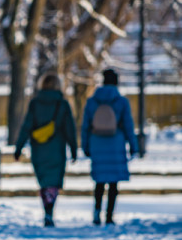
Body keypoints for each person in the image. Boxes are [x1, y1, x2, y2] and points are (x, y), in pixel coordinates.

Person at [14, 73, 77, 227]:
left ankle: (47, 210)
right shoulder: (62, 104)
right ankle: (50, 210)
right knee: (53, 182)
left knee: (44, 182)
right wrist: (73, 148)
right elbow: (70, 129)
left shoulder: (35, 103)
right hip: (57, 149)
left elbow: (26, 126)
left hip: (39, 149)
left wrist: (19, 147)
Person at [81, 68, 138, 225]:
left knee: (99, 181)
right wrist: (133, 146)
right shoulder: (121, 102)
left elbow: (85, 126)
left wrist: (85, 145)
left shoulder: (92, 102)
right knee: (113, 182)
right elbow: (128, 125)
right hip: (116, 144)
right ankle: (109, 216)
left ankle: (97, 212)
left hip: (97, 143)